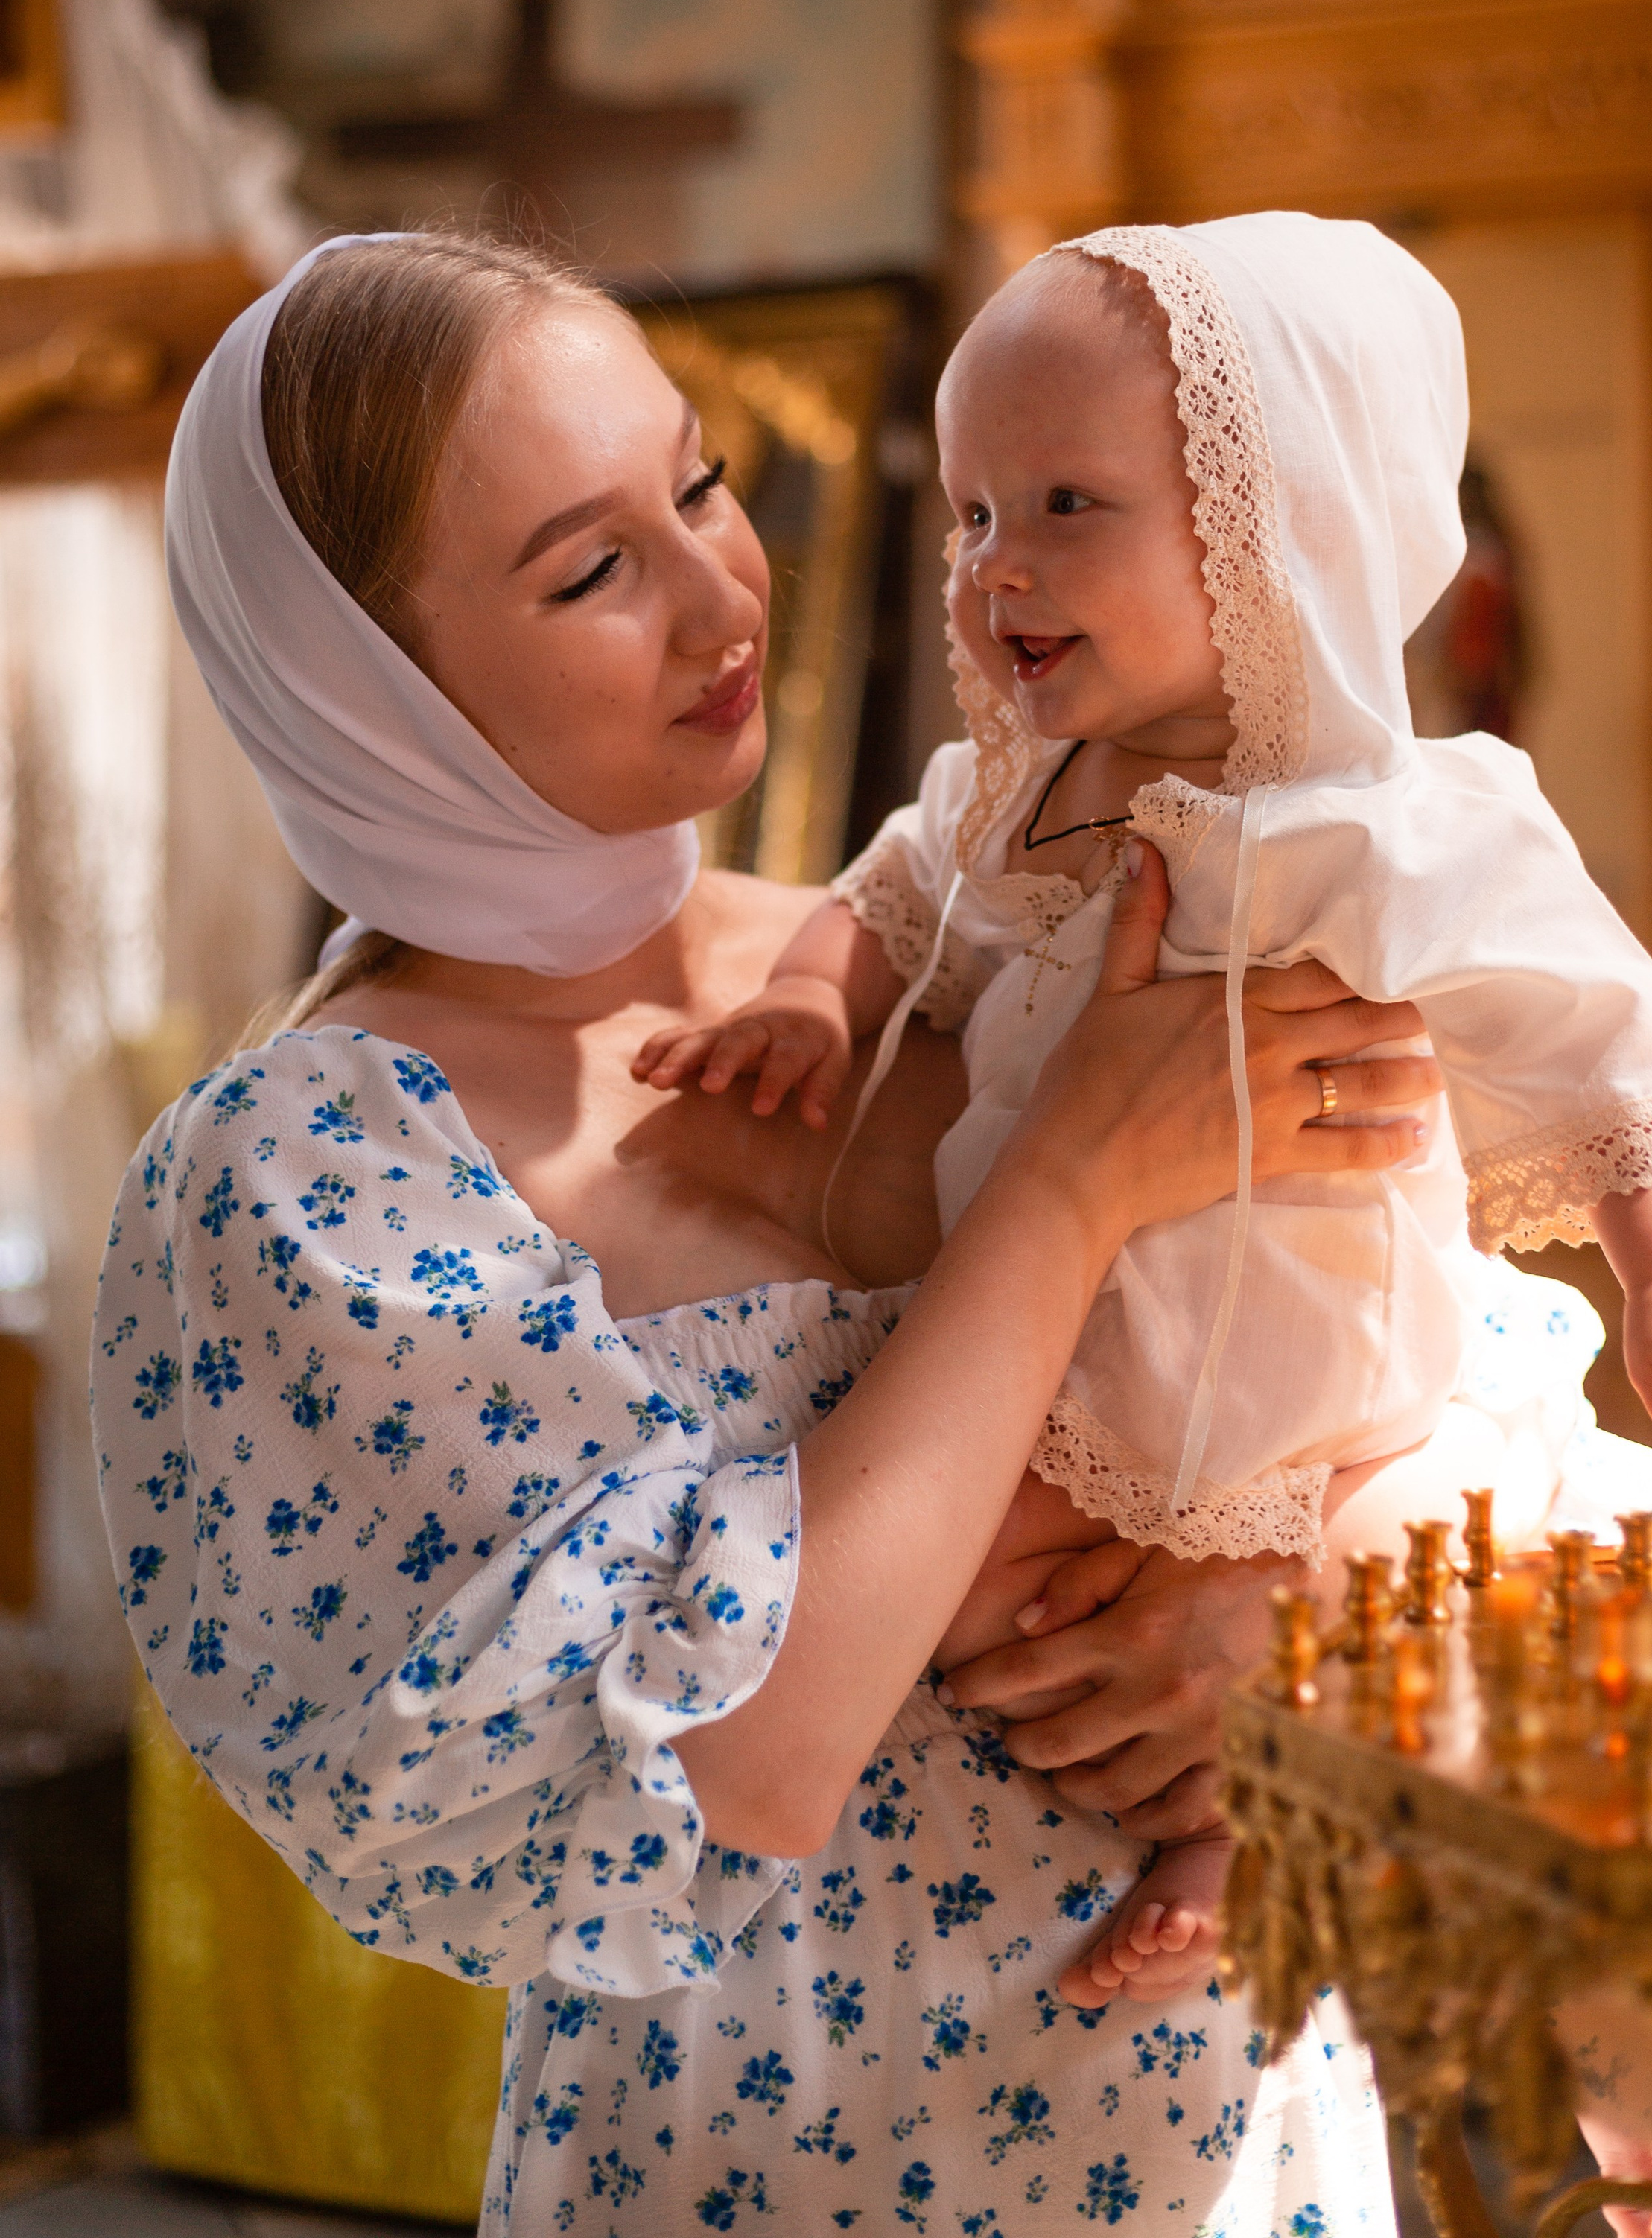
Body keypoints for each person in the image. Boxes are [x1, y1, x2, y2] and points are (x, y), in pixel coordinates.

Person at [93, 229, 1453, 2234]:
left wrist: (1299, 1615)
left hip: (1247, 2142)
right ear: (365, 688)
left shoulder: (955, 948)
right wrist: (1069, 1183)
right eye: (591, 567)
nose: (726, 592)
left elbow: (1424, 1330)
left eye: (701, 484)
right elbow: (747, 1758)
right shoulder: (309, 1184)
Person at [638, 214, 1652, 2017]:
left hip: (1333, 1400)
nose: (989, 568)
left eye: (1060, 507)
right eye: (968, 515)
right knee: (952, 1600)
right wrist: (811, 996)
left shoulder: (1408, 825)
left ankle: (1255, 1847)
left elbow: (1603, 1035)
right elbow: (881, 904)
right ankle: (1177, 1817)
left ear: (1283, 530)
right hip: (1069, 1377)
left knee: (1375, 1599)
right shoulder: (1006, 800)